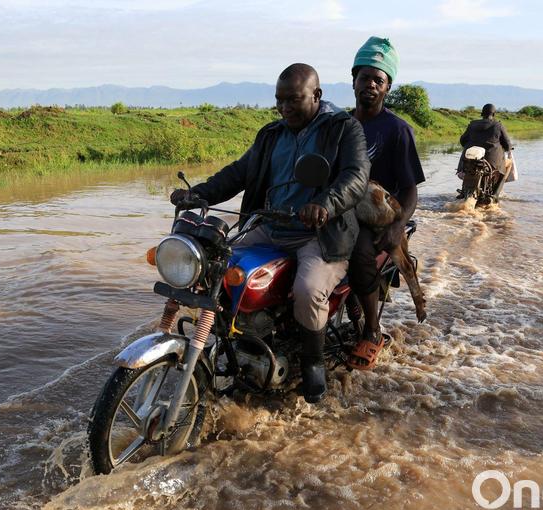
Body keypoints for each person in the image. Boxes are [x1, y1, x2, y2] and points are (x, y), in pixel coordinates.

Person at [169, 63, 369, 403]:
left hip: (320, 233)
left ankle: (313, 363)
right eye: (280, 100)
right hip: (270, 225)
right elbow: (239, 173)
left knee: (308, 291)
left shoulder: (343, 128)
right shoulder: (271, 134)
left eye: (294, 99)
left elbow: (356, 176)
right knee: (214, 269)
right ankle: (234, 341)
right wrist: (198, 194)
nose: (284, 107)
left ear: (316, 95)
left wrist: (324, 204)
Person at [345, 36, 426, 369]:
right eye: (365, 77)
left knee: (360, 252)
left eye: (379, 80)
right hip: (340, 208)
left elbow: (410, 190)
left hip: (374, 215)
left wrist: (397, 227)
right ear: (353, 80)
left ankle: (372, 330)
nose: (371, 85)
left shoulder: (397, 130)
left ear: (387, 87)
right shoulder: (340, 125)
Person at [457, 103, 514, 197]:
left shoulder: (472, 124)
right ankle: (495, 194)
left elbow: (463, 140)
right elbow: (507, 145)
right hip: (492, 163)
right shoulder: (498, 125)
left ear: (481, 114)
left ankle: (464, 191)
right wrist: (507, 147)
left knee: (468, 167)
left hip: (469, 161)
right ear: (494, 114)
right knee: (509, 163)